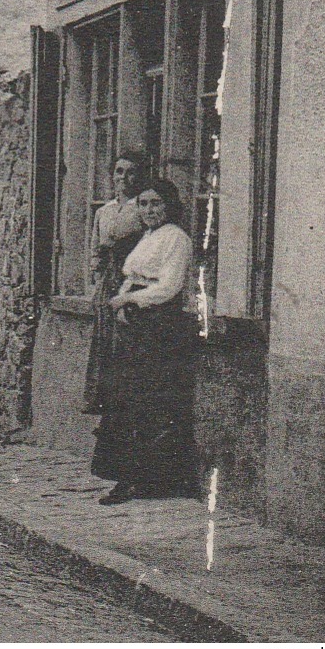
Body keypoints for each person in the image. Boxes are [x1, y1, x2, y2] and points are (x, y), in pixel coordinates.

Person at [91, 177, 198, 505]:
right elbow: (132, 277)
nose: (149, 211)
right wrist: (122, 301)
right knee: (126, 400)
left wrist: (128, 303)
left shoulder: (177, 239)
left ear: (169, 206)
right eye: (144, 204)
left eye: (156, 204)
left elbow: (169, 286)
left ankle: (150, 480)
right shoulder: (147, 237)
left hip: (160, 326)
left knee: (149, 402)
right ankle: (126, 476)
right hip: (137, 324)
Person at [84, 152, 147, 415]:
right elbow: (96, 252)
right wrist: (98, 279)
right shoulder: (104, 212)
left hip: (131, 281)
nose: (124, 178)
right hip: (107, 284)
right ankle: (104, 402)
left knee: (126, 343)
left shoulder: (142, 209)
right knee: (105, 342)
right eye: (119, 172)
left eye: (130, 172)